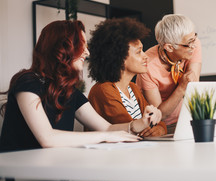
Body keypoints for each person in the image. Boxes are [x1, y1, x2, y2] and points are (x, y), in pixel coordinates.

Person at [0, 20, 143, 153]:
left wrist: (141, 123)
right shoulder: (27, 82)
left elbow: (107, 127)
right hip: (19, 173)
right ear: (62, 48)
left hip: (54, 168)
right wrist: (105, 136)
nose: (87, 52)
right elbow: (47, 138)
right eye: (82, 45)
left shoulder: (69, 91)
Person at [87, 18, 166, 137]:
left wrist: (160, 129)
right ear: (119, 58)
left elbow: (156, 122)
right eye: (139, 52)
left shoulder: (132, 88)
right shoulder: (103, 90)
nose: (146, 57)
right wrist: (151, 126)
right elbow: (131, 128)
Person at [136, 14, 202, 133]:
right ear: (170, 47)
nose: (194, 45)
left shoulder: (193, 45)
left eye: (194, 38)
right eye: (189, 43)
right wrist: (182, 88)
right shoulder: (148, 66)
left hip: (192, 117)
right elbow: (159, 114)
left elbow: (193, 87)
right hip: (165, 126)